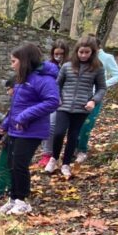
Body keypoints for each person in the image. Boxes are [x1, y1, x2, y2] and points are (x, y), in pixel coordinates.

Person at [0, 44, 60, 215]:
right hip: (15, 130)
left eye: (14, 61)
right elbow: (16, 107)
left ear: (24, 60)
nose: (12, 65)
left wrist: (25, 117)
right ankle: (13, 198)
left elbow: (53, 101)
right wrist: (5, 124)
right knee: (11, 163)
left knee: (20, 164)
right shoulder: (22, 80)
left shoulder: (44, 79)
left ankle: (22, 201)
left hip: (32, 130)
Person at [46, 35, 108, 179]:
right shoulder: (67, 66)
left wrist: (93, 101)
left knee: (73, 136)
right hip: (63, 106)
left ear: (92, 52)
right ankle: (54, 158)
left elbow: (102, 88)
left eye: (87, 52)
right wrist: (58, 97)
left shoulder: (97, 68)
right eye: (81, 52)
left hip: (82, 108)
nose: (84, 55)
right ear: (76, 51)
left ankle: (66, 164)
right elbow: (57, 84)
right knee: (58, 133)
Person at [75, 40, 118, 161]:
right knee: (75, 123)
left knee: (87, 124)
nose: (85, 53)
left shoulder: (107, 58)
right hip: (78, 95)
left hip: (95, 96)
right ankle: (73, 148)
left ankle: (82, 150)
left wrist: (102, 84)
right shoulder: (82, 58)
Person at [37, 41, 69, 169]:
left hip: (65, 100)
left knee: (54, 126)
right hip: (49, 99)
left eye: (61, 54)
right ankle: (46, 153)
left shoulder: (70, 66)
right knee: (47, 125)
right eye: (56, 54)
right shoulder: (48, 66)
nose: (59, 56)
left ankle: (54, 154)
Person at [0, 78, 16, 200]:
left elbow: (11, 118)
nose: (7, 92)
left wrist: (4, 128)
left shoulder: (18, 102)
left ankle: (2, 190)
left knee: (3, 165)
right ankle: (10, 189)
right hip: (12, 137)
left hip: (14, 138)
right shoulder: (15, 102)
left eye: (8, 89)